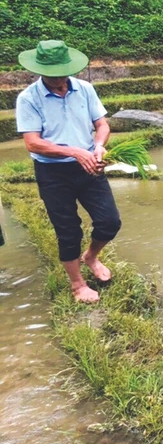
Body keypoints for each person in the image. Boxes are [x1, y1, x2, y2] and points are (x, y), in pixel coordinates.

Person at [15, 40, 121, 303]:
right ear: (40, 71)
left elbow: (102, 124)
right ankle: (78, 286)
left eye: (62, 73)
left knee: (109, 221)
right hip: (53, 173)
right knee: (68, 230)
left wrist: (98, 147)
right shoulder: (28, 98)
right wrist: (74, 151)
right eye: (52, 74)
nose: (58, 79)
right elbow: (33, 142)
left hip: (89, 165)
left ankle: (91, 257)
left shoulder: (84, 89)